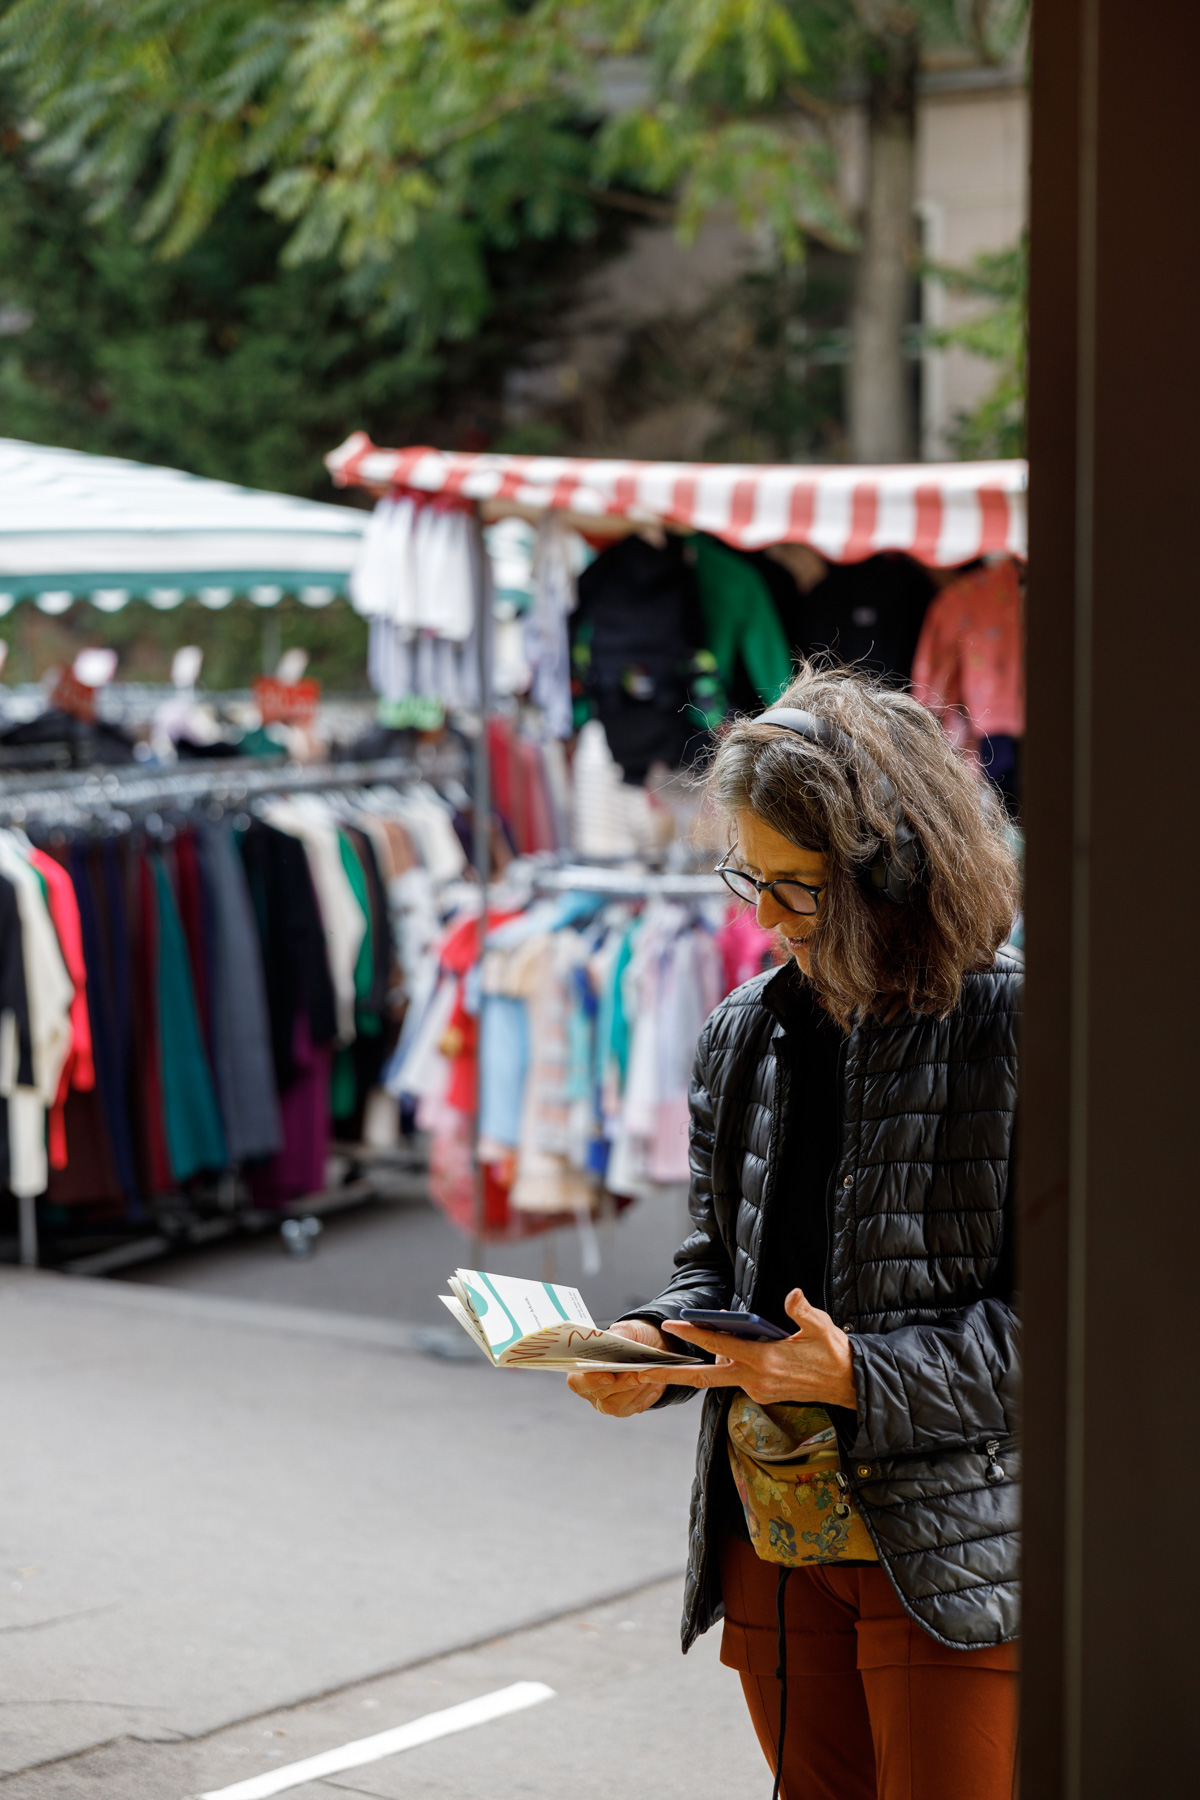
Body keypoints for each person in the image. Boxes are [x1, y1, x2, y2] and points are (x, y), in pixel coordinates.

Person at [567, 662, 1021, 1800]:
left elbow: (1084, 1334)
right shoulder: (744, 1028)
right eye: (750, 878)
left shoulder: (1020, 1024)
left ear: (892, 871)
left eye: (797, 888)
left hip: (950, 1546)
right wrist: (654, 1349)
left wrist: (859, 1373)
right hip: (771, 1530)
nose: (763, 918)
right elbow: (715, 1264)